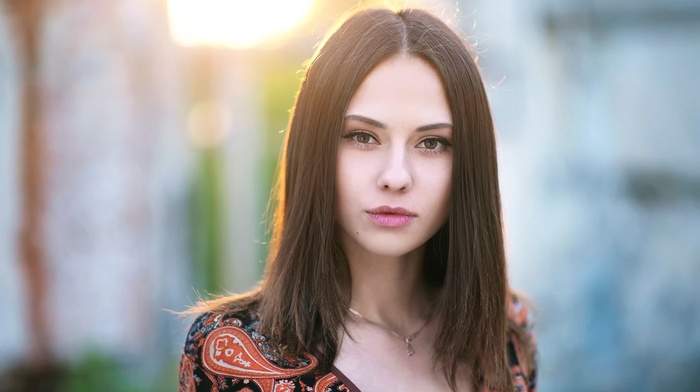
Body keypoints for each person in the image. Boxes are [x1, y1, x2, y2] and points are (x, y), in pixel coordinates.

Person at [178, 6, 537, 392]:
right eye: (363, 137)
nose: (396, 176)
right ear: (316, 148)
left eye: (432, 142)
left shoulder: (506, 332)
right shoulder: (231, 352)